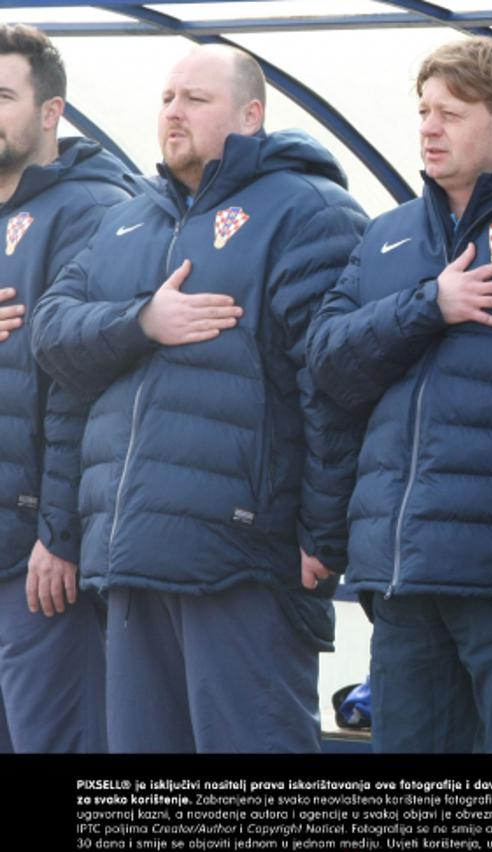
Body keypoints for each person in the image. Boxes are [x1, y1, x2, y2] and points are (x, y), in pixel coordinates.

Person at [30, 44, 366, 753]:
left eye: (195, 99)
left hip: (242, 554)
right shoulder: (128, 219)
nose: (172, 112)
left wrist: (323, 532)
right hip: (127, 550)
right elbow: (53, 337)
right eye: (166, 98)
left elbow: (332, 386)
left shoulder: (309, 211)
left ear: (251, 115)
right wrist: (142, 322)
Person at [306, 38, 492, 753]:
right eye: (424, 111)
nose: (430, 128)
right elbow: (326, 362)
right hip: (402, 567)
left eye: (453, 112)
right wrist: (428, 305)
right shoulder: (389, 237)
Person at [0, 24, 131, 753]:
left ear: (51, 112)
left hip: (36, 557)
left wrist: (62, 532)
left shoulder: (94, 210)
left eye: (2, 96)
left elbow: (82, 384)